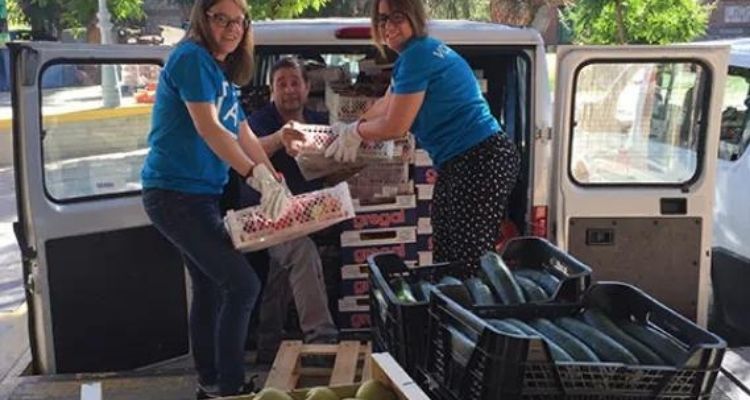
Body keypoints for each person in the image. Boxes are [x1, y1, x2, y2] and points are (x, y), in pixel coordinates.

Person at [140, 0, 289, 397]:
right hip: (174, 194)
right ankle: (230, 387)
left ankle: (209, 381)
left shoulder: (218, 72)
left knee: (209, 287)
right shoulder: (190, 57)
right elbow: (208, 128)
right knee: (242, 286)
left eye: (239, 21)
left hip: (199, 196)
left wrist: (273, 178)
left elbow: (242, 132)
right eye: (221, 18)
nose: (232, 28)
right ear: (202, 18)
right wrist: (252, 174)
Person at [324, 0, 521, 264]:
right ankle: (451, 300)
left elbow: (395, 125)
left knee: (468, 256)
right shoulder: (415, 54)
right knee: (447, 247)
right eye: (382, 19)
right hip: (463, 160)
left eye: (397, 18)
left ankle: (475, 304)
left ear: (413, 18)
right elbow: (387, 103)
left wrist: (356, 132)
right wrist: (350, 126)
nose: (388, 27)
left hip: (481, 157)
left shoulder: (418, 55)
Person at [230, 57, 338, 363]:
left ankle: (268, 346)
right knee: (301, 252)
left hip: (304, 214)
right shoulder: (259, 121)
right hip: (264, 218)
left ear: (307, 88)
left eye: (295, 82)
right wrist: (279, 138)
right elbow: (244, 149)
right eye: (282, 83)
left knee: (283, 268)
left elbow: (332, 168)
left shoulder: (319, 121)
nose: (289, 89)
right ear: (271, 90)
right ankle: (322, 341)